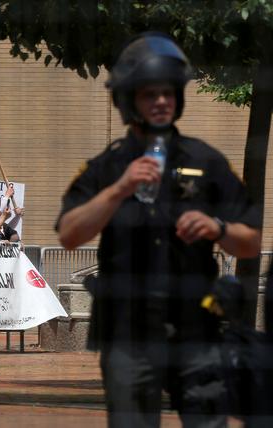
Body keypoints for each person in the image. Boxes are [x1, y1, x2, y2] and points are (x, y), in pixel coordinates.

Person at [57, 32, 261, 427]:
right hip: (128, 330)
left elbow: (251, 243)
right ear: (130, 100)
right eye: (150, 94)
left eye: (168, 93)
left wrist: (218, 227)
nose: (162, 101)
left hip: (196, 327)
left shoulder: (207, 161)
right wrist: (119, 189)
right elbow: (69, 234)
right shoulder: (106, 167)